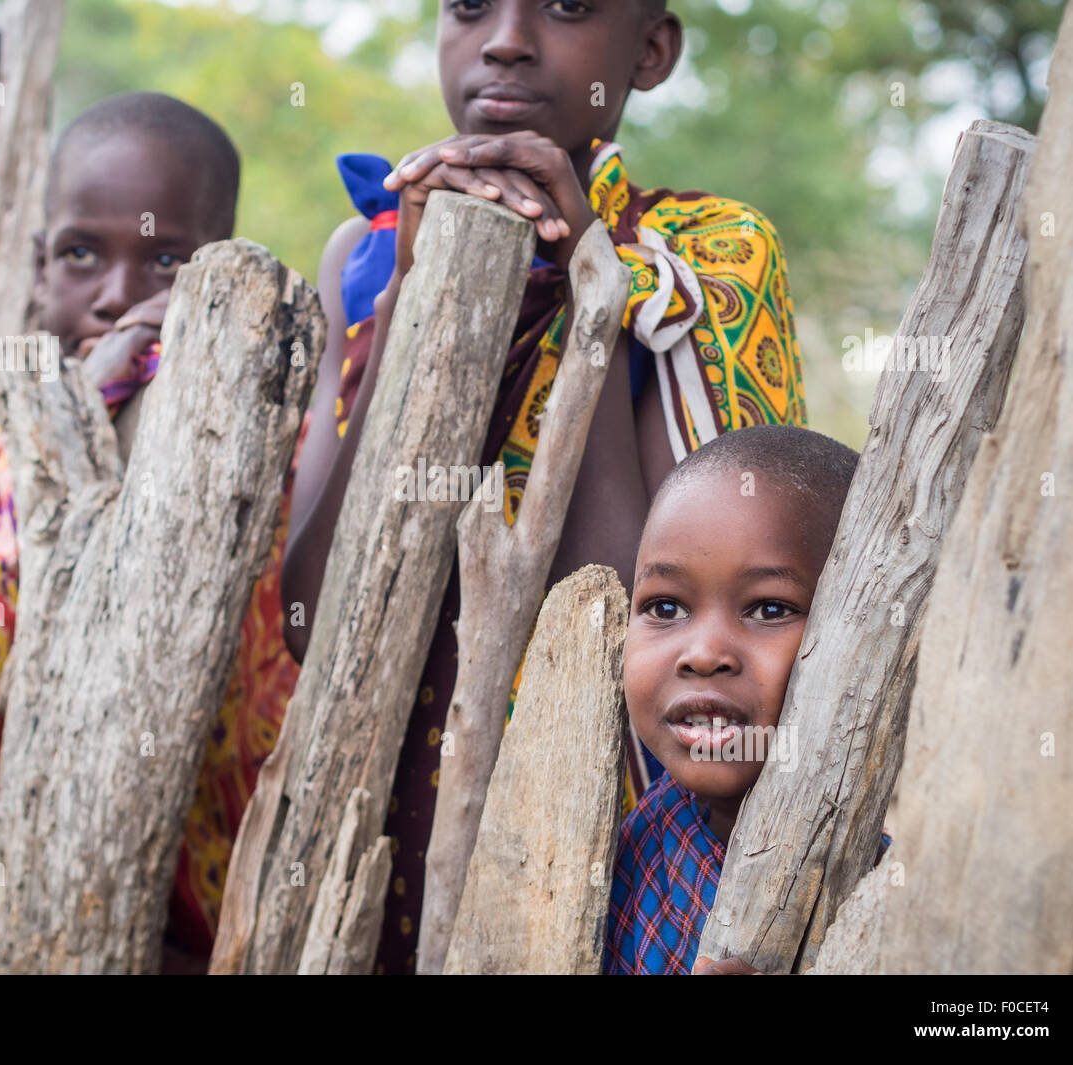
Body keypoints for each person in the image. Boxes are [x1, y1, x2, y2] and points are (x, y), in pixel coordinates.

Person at [283, 0, 808, 973]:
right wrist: (408, 306)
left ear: (648, 52)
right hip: (378, 857)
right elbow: (314, 623)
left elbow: (629, 631)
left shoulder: (709, 257)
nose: (506, 39)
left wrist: (589, 285)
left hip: (588, 869)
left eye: (566, 7)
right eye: (466, 7)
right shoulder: (363, 261)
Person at [0, 92, 288, 969]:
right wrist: (79, 420)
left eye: (166, 260)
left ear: (222, 273)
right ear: (39, 270)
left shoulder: (280, 456)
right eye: (82, 254)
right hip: (35, 919)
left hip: (244, 932)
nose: (118, 297)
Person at [603, 425, 870, 975]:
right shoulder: (644, 838)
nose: (703, 654)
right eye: (666, 608)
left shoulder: (883, 901)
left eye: (769, 609)